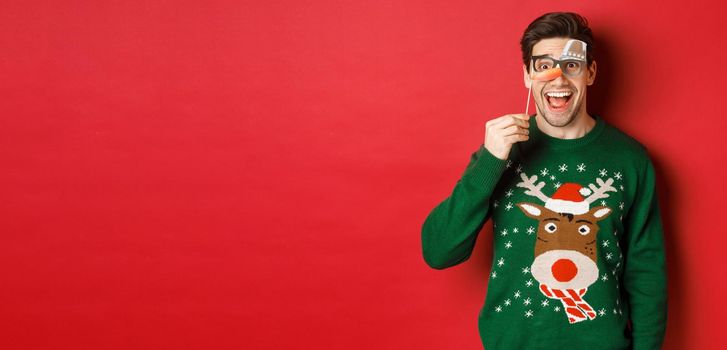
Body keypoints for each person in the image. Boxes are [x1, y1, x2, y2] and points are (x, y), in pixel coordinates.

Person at [421, 12, 667, 350]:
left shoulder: (630, 159)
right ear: (527, 76)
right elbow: (438, 251)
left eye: (571, 66)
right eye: (544, 66)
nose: (558, 79)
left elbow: (647, 274)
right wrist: (491, 161)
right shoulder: (500, 152)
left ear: (590, 73)